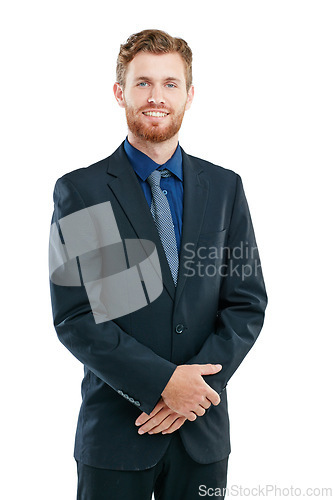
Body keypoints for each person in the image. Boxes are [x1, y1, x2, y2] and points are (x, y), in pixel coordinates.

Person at [49, 29, 267, 500]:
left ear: (189, 94)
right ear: (119, 92)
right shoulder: (83, 191)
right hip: (117, 437)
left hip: (202, 437)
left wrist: (192, 395)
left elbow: (245, 304)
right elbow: (77, 318)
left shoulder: (225, 189)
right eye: (143, 83)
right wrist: (163, 384)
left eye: (170, 84)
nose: (156, 97)